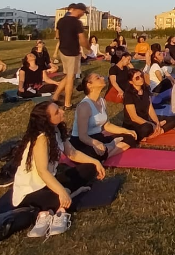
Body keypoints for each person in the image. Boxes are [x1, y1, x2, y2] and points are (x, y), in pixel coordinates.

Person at [13, 100, 106, 238]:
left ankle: (67, 194)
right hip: (31, 190)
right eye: (57, 112)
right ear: (46, 120)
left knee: (90, 168)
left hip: (50, 181)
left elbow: (71, 153)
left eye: (59, 109)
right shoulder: (42, 139)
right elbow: (42, 171)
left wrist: (95, 162)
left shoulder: (56, 130)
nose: (62, 111)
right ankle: (67, 196)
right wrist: (62, 191)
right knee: (63, 197)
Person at [71, 73, 136, 162]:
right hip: (83, 141)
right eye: (98, 78)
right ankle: (108, 148)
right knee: (94, 152)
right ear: (89, 85)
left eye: (101, 76)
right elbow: (82, 136)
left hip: (97, 137)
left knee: (130, 137)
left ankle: (106, 154)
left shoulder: (102, 101)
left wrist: (126, 131)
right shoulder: (84, 106)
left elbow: (107, 125)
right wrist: (96, 143)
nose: (102, 78)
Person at [53, 3, 90, 109]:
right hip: (72, 52)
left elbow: (57, 35)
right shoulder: (76, 22)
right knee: (70, 78)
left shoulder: (61, 21)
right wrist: (89, 48)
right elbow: (82, 39)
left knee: (69, 75)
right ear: (79, 10)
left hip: (63, 51)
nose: (83, 15)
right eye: (83, 12)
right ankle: (67, 104)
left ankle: (55, 97)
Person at [122, 67, 168, 141]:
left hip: (146, 120)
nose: (141, 78)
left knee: (172, 120)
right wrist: (152, 125)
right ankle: (150, 133)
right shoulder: (128, 95)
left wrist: (157, 123)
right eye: (137, 78)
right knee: (147, 128)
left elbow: (150, 108)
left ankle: (156, 132)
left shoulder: (145, 90)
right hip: (134, 124)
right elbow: (134, 117)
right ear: (131, 82)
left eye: (141, 76)